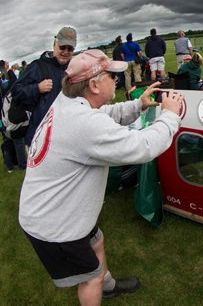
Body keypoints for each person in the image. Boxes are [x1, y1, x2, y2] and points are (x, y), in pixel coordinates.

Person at [18, 49, 184, 304]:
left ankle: (108, 285)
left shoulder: (67, 101)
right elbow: (144, 147)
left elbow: (103, 115)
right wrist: (171, 115)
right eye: (112, 76)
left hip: (57, 209)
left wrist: (137, 105)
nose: (116, 80)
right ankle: (99, 285)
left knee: (97, 241)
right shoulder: (84, 124)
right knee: (89, 279)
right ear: (94, 84)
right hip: (53, 224)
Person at [11, 26, 77, 146]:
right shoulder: (37, 66)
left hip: (66, 134)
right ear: (54, 45)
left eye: (70, 48)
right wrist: (37, 88)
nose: (66, 51)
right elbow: (16, 91)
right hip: (39, 136)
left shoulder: (74, 68)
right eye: (62, 47)